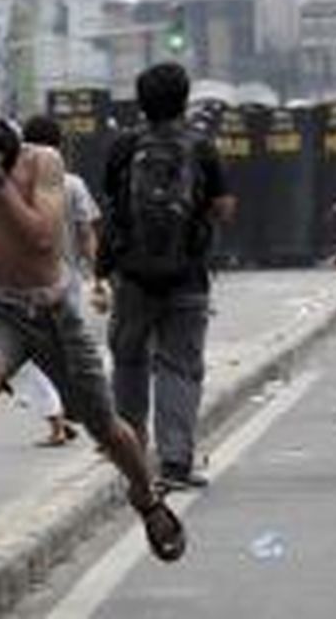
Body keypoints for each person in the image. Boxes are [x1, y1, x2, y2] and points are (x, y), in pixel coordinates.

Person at [0, 81, 185, 562]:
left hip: (53, 311)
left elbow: (41, 240)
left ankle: (147, 498)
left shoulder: (41, 162)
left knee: (106, 426)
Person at [96, 62, 237, 491]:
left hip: (133, 277)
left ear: (141, 101)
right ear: (184, 98)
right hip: (187, 276)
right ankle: (175, 462)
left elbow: (111, 205)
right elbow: (224, 207)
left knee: (129, 360)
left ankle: (131, 453)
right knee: (180, 366)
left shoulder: (123, 146)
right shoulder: (202, 148)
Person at [3, 115, 102, 448]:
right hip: (66, 282)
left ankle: (59, 418)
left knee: (29, 353)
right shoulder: (73, 184)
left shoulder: (14, 184)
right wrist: (99, 277)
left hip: (24, 282)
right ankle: (80, 414)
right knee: (68, 351)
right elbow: (87, 234)